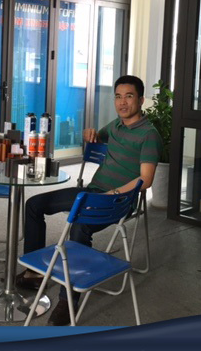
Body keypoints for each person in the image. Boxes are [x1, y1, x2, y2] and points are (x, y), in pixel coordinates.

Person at [16, 75, 162, 326]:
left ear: (141, 100)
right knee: (34, 205)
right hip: (92, 192)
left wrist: (112, 194)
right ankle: (34, 274)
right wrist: (89, 134)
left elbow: (145, 179)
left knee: (79, 226)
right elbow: (96, 137)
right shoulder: (116, 125)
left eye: (129, 96)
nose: (122, 102)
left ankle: (68, 300)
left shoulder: (149, 135)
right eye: (118, 97)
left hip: (117, 201)